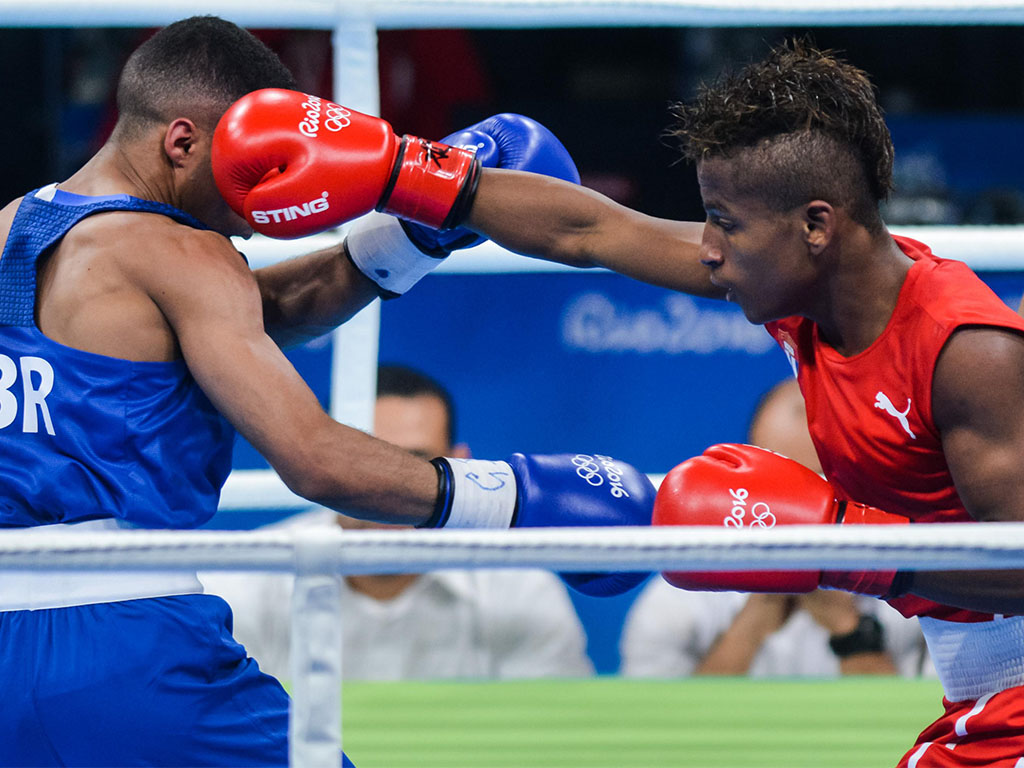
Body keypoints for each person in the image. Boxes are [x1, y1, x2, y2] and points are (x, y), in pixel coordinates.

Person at [216, 37, 1024, 766]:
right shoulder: (808, 285)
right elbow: (591, 231)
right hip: (980, 698)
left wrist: (840, 543)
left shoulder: (968, 351)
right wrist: (410, 174)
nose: (709, 249)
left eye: (726, 224)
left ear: (817, 225)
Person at [0, 15, 657, 768]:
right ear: (181, 142)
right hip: (123, 641)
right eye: (247, 169)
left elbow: (247, 314)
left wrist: (411, 236)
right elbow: (316, 460)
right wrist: (519, 501)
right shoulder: (183, 252)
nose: (257, 209)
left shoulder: (16, 227)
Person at [202, 364, 593, 681]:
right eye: (364, 461)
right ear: (323, 464)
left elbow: (554, 737)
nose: (386, 488)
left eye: (415, 463)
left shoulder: (521, 589)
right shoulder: (246, 584)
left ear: (462, 467)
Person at [621, 378, 932, 678]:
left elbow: (926, 713)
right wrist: (750, 626)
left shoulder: (913, 584)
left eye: (819, 484)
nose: (798, 511)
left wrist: (848, 629)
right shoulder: (682, 597)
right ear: (742, 478)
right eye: (779, 484)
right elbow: (658, 713)